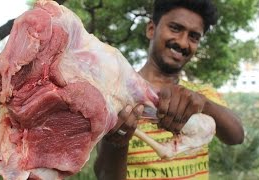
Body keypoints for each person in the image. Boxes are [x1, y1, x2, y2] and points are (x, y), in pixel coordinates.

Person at [94, 0, 244, 179]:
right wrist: (116, 141)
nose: (182, 42)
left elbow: (236, 137)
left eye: (194, 37)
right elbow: (105, 176)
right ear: (151, 29)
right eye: (175, 28)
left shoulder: (203, 94)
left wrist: (203, 103)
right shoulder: (115, 92)